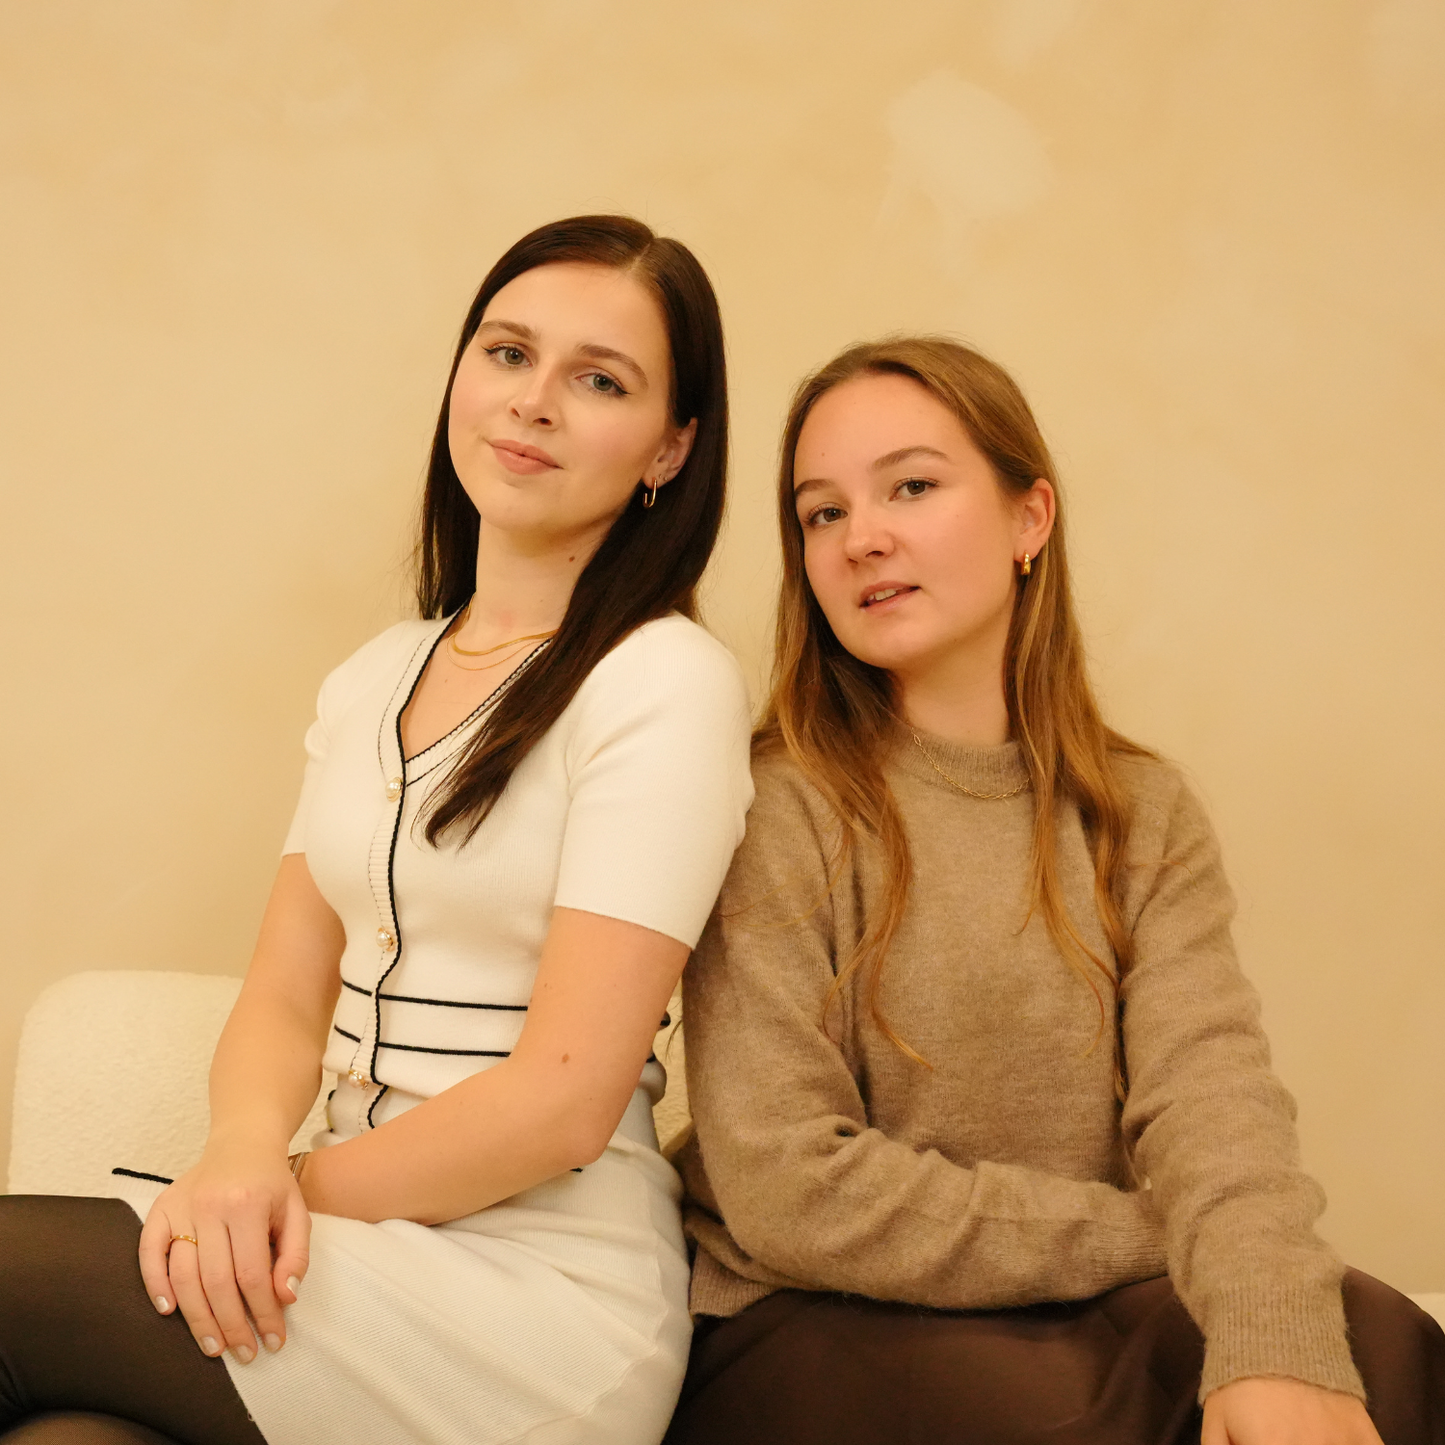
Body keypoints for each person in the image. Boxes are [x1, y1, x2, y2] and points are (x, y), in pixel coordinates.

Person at [0, 214, 754, 1445]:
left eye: (598, 379)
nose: (534, 402)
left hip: (536, 1304)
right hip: (350, 1252)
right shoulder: (372, 676)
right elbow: (284, 998)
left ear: (670, 447)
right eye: (507, 353)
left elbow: (564, 1101)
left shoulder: (662, 682)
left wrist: (279, 1191)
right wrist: (242, 1147)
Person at [665, 337, 1445, 1445]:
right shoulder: (766, 803)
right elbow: (792, 1187)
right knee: (1076, 1422)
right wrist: (1153, 1233)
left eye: (911, 486)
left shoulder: (1136, 809)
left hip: (1064, 1303)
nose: (861, 537)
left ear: (1029, 519)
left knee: (1375, 1338)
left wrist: (1264, 1314)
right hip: (810, 1315)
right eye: (820, 512)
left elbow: (1210, 1099)